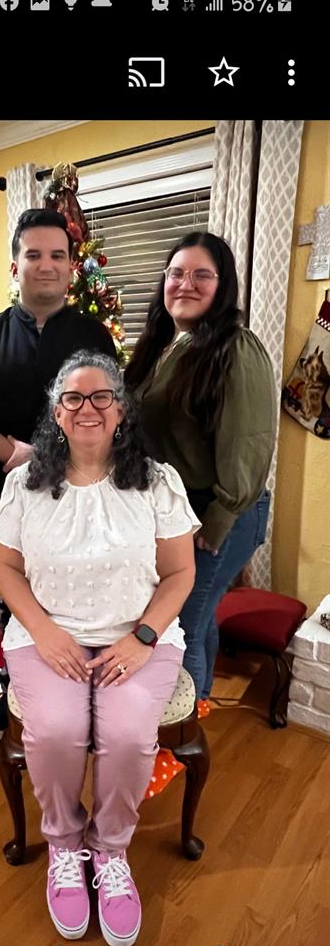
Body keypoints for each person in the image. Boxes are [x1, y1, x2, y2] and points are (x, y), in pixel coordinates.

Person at [0, 351, 199, 946]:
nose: (88, 408)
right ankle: (63, 843)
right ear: (57, 412)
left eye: (102, 396)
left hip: (137, 635)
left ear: (121, 408)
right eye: (74, 398)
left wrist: (142, 638)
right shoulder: (24, 484)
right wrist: (44, 630)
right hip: (46, 633)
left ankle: (109, 853)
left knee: (130, 735)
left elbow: (180, 574)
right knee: (55, 730)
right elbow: (5, 566)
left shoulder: (158, 481)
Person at [0, 207, 117, 739]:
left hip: (83, 495)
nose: (46, 265)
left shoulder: (93, 333)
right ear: (15, 265)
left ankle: (84, 695)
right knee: (15, 600)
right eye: (34, 255)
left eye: (57, 255)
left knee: (76, 594)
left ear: (72, 266)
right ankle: (16, 695)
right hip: (9, 496)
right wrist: (15, 454)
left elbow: (108, 409)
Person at [124, 231, 277, 715]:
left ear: (222, 285)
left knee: (182, 622)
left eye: (201, 275)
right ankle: (199, 706)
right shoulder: (163, 345)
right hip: (176, 511)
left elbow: (249, 441)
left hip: (221, 509)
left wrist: (219, 515)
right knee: (200, 612)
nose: (184, 284)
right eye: (176, 273)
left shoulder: (235, 347)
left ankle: (179, 728)